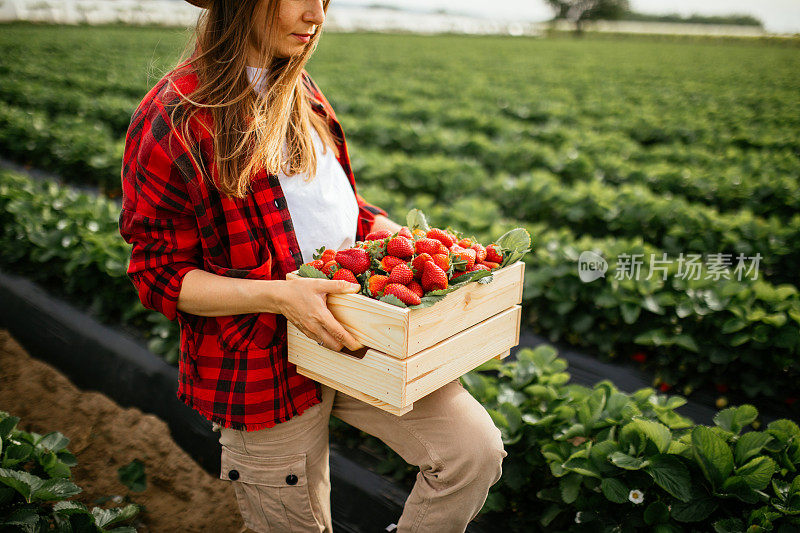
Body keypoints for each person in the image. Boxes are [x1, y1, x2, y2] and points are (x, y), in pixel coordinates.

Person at [118, 0, 507, 531]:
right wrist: (278, 295)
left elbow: (336, 210)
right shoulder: (176, 118)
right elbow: (158, 273)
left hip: (356, 331)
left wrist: (389, 232)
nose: (317, 15)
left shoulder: (301, 91)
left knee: (472, 451)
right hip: (260, 360)